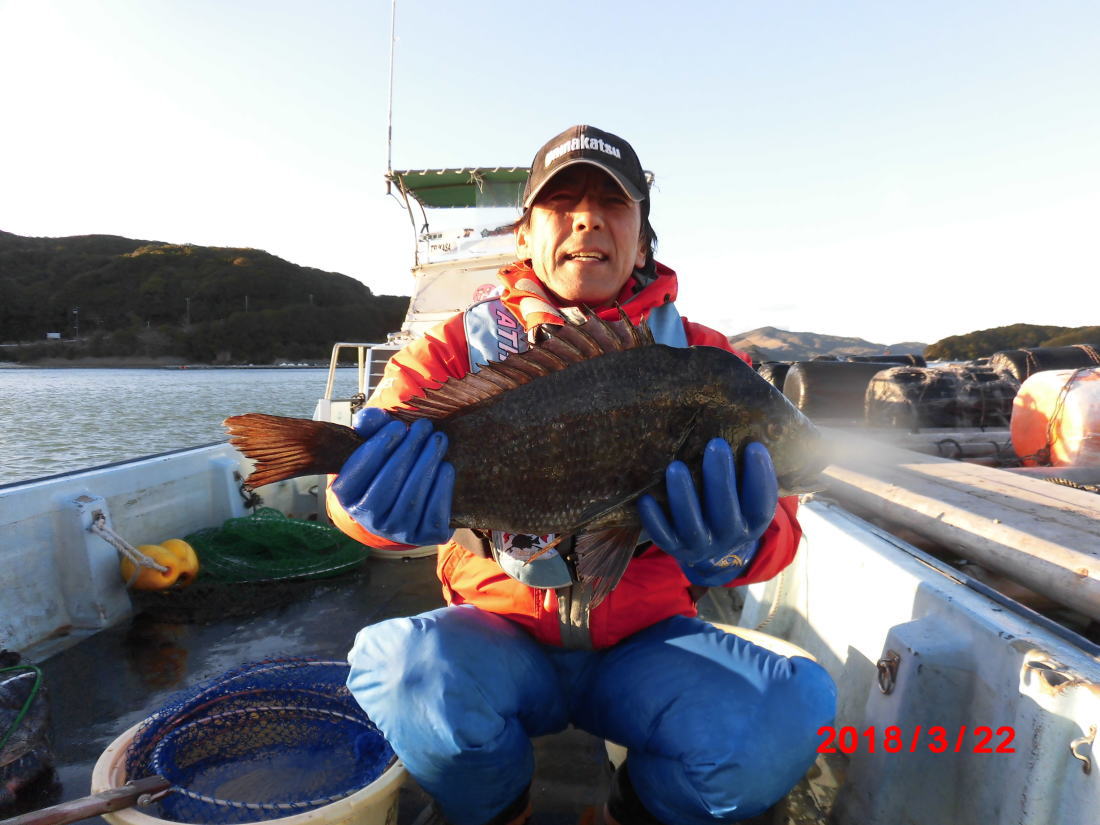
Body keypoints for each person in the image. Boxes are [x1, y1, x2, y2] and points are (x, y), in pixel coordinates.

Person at [330, 125, 836, 825]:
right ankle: (501, 809)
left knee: (787, 707)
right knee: (403, 669)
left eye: (612, 203)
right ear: (525, 234)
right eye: (561, 202)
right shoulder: (448, 351)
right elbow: (350, 499)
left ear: (642, 240)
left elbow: (781, 533)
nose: (588, 218)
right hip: (494, 639)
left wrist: (735, 547)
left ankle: (642, 811)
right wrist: (370, 509)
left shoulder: (708, 362)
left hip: (645, 650)